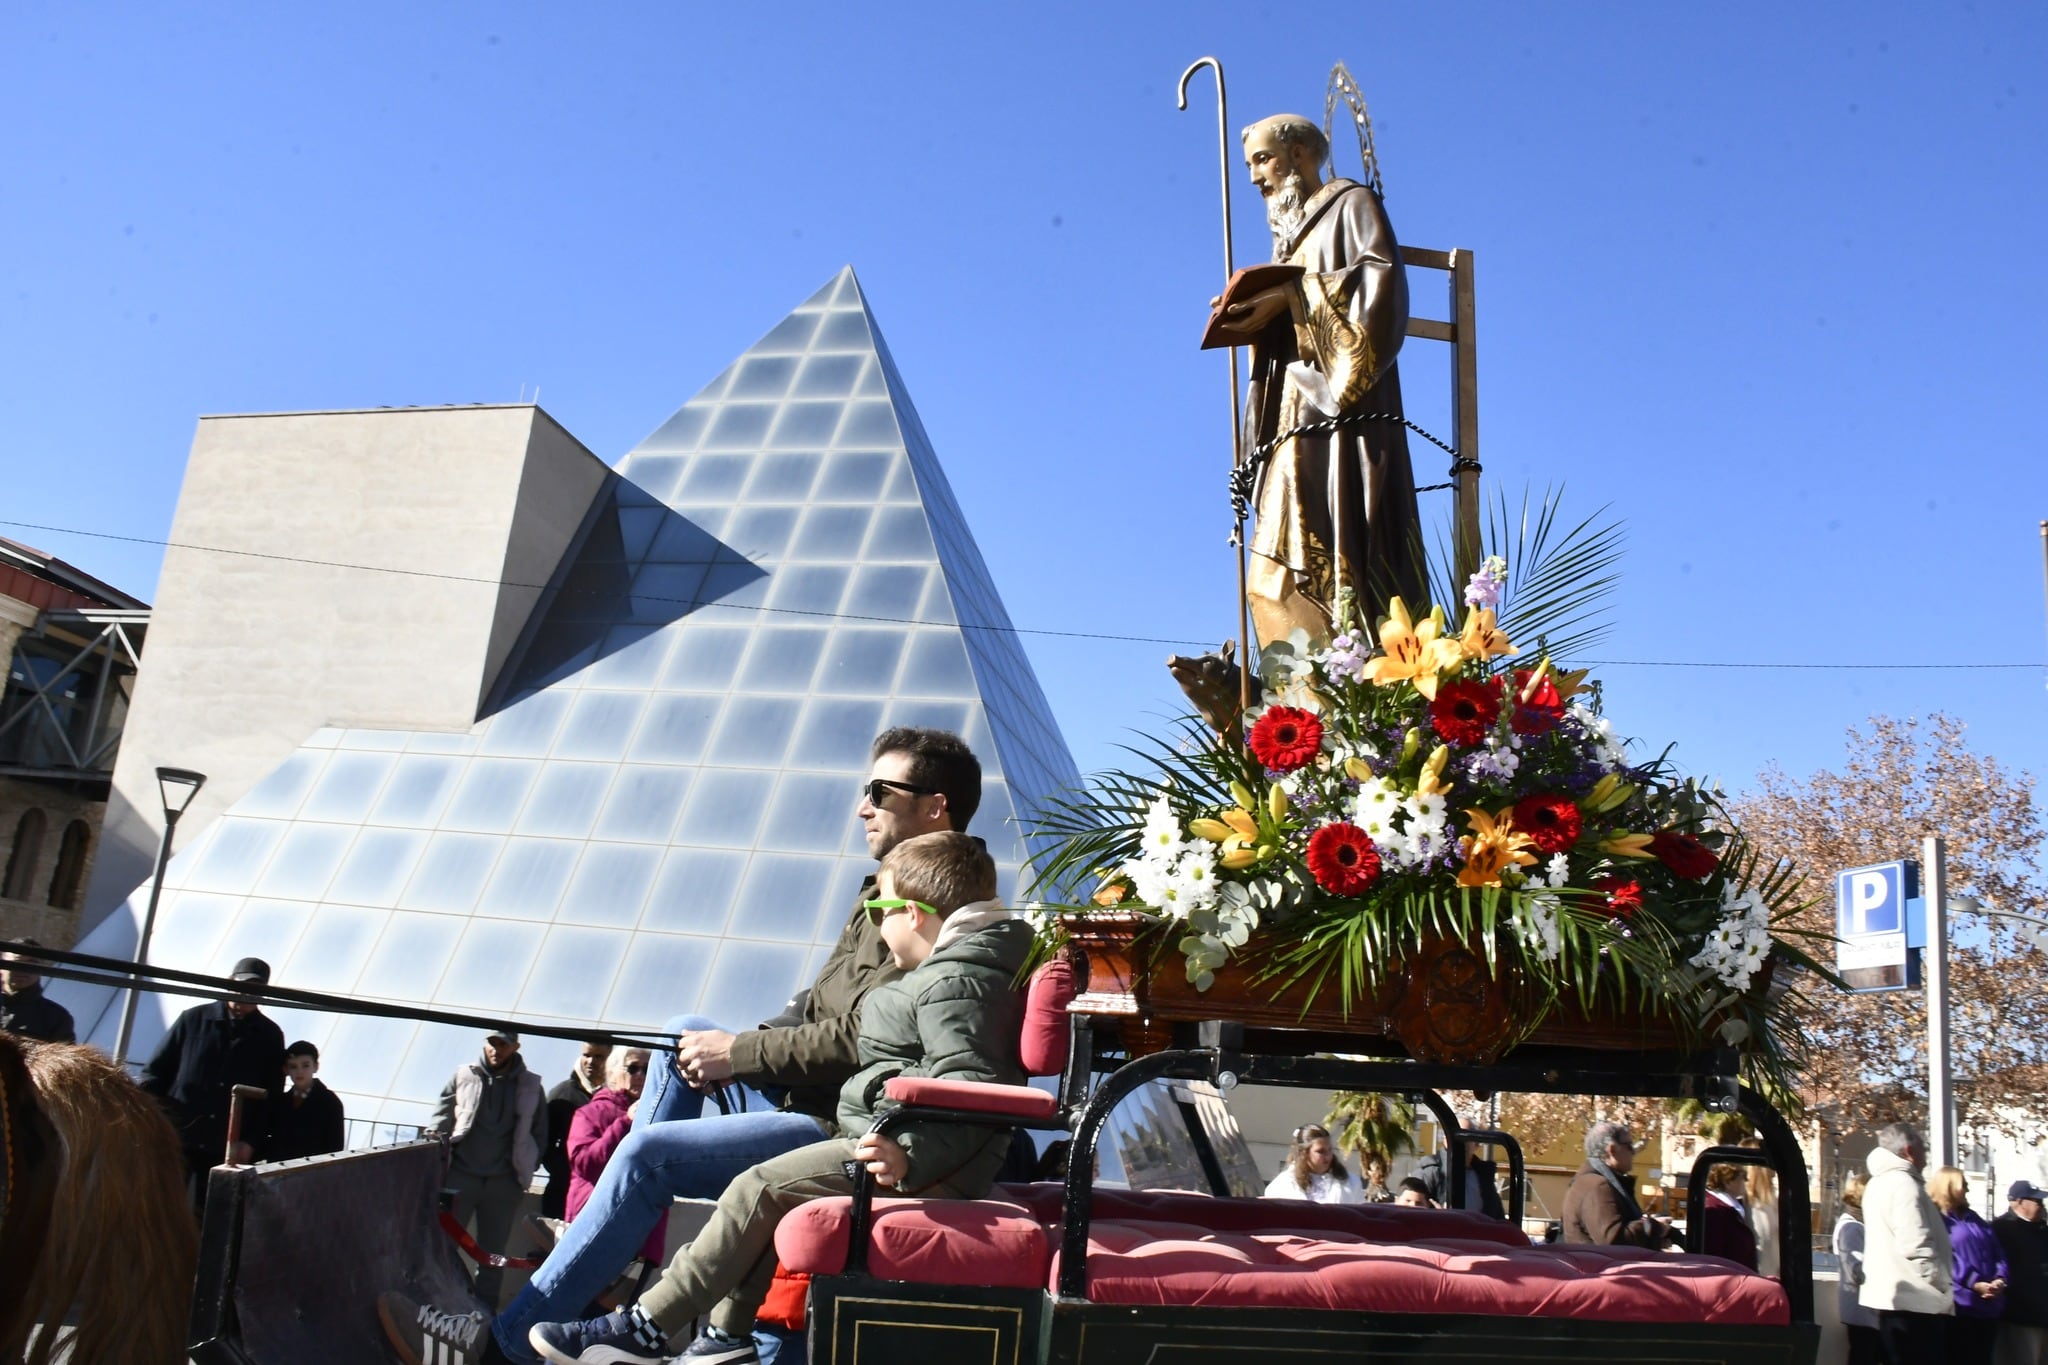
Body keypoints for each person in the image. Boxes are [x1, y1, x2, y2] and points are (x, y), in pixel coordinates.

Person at [378, 726, 982, 1365]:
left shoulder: (932, 903)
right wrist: (729, 1047)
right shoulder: (880, 888)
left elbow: (862, 1037)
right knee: (682, 1030)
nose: (862, 805)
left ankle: (504, 1347)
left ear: (933, 806)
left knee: (646, 1155)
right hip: (808, 1089)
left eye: (878, 791)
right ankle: (619, 1247)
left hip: (844, 1119)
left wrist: (738, 1056)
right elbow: (814, 1005)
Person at [526, 827, 1032, 1365]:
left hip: (912, 1154)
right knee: (778, 1189)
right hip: (900, 1140)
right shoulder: (956, 972)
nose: (874, 924)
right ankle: (723, 1338)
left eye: (878, 909)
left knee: (758, 1187)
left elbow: (970, 1083)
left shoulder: (955, 980)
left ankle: (647, 1327)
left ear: (914, 912)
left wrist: (909, 1149)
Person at [1218, 111, 1425, 646]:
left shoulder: (1351, 205)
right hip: (1291, 414)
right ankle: (1294, 712)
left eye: (1262, 159)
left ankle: (1332, 694)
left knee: (1296, 573)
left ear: (1300, 155)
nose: (1254, 178)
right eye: (1248, 165)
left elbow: (1379, 285)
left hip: (1337, 420)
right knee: (1266, 578)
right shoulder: (1291, 234)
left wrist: (1286, 298)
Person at [139, 955, 286, 1211]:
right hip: (177, 1139)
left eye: (256, 989)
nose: (246, 995)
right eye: (243, 986)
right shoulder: (193, 1020)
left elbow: (271, 1100)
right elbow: (155, 1075)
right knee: (161, 1210)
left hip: (227, 1150)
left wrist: (250, 1142)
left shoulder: (270, 1036)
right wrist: (156, 1125)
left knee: (210, 1218)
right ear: (229, 982)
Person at [434, 1028, 548, 1310]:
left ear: (516, 1047)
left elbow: (539, 1132)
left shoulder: (530, 1085)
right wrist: (437, 1160)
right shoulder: (464, 1076)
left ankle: (483, 1315)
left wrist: (524, 1168)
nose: (496, 1049)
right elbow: (440, 1122)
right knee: (443, 1247)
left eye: (504, 1044)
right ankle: (435, 1303)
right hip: (460, 1177)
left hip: (503, 1183)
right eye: (492, 1042)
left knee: (492, 1256)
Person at [1858, 1123, 1953, 1365]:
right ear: (1909, 1150)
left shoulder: (1878, 1183)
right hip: (1916, 1302)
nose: (1927, 1153)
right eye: (1924, 1147)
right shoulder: (1904, 1185)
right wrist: (1941, 1286)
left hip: (1897, 1300)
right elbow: (1916, 1244)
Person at [565, 1049, 664, 1269]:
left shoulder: (660, 1116)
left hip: (642, 1238)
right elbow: (585, 1163)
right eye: (633, 1068)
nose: (640, 1075)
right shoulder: (590, 1113)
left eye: (647, 1070)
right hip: (594, 1229)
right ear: (613, 1072)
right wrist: (625, 1123)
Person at [1930, 1165, 2008, 1365]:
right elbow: (1947, 1258)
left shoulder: (1974, 1219)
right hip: (1961, 1306)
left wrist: (2000, 1278)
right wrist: (1974, 1283)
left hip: (1988, 1307)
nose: (1967, 1189)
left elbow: (1996, 1251)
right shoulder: (1938, 1220)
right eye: (1963, 1184)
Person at [1561, 1120, 1680, 1249]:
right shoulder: (1597, 1186)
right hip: (1604, 1267)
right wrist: (1654, 1227)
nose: (1633, 1152)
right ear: (1612, 1150)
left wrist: (1654, 1237)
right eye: (1628, 1145)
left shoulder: (1589, 1182)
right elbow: (1614, 1241)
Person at [541, 1042, 610, 1222]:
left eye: (598, 1056)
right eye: (587, 1055)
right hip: (561, 1191)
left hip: (602, 1191)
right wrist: (563, 1171)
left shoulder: (617, 1099)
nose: (591, 1061)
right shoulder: (562, 1094)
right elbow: (544, 1142)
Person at [1993, 1180, 2048, 1365]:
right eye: (2036, 1201)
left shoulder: (2042, 1229)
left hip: (2042, 1312)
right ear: (2019, 1201)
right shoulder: (2003, 1228)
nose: (2041, 1206)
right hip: (2021, 1315)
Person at [267, 1039, 346, 1161]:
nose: (299, 1072)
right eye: (293, 1066)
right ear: (286, 1070)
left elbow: (335, 1148)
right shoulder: (280, 1102)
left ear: (315, 1066)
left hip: (313, 1173)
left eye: (305, 1065)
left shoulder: (330, 1103)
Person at [1837, 1170, 1882, 1365]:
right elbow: (1856, 1269)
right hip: (1862, 1310)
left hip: (1867, 1309)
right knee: (1863, 1355)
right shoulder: (1852, 1227)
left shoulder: (1860, 1225)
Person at [1263, 1123, 1362, 1204]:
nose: (1328, 1156)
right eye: (1320, 1151)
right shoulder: (1282, 1185)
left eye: (1330, 1150)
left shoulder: (1351, 1182)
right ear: (1303, 1153)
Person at [0, 939, 76, 1042]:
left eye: (32, 964)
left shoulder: (55, 1017)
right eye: (16, 963)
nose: (23, 970)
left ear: (42, 968)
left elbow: (64, 1056)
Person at [1418, 1139, 1508, 1221]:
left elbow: (1497, 1217)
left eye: (1466, 1139)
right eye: (1454, 1137)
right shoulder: (1430, 1172)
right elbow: (1415, 1212)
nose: (1459, 1144)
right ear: (1445, 1141)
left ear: (1476, 1145)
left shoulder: (1484, 1177)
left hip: (1476, 1236)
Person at [1699, 1165, 1760, 1271]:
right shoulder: (1714, 1210)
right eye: (1743, 1176)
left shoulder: (1734, 1206)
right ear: (1728, 1181)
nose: (1747, 1180)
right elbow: (1713, 1258)